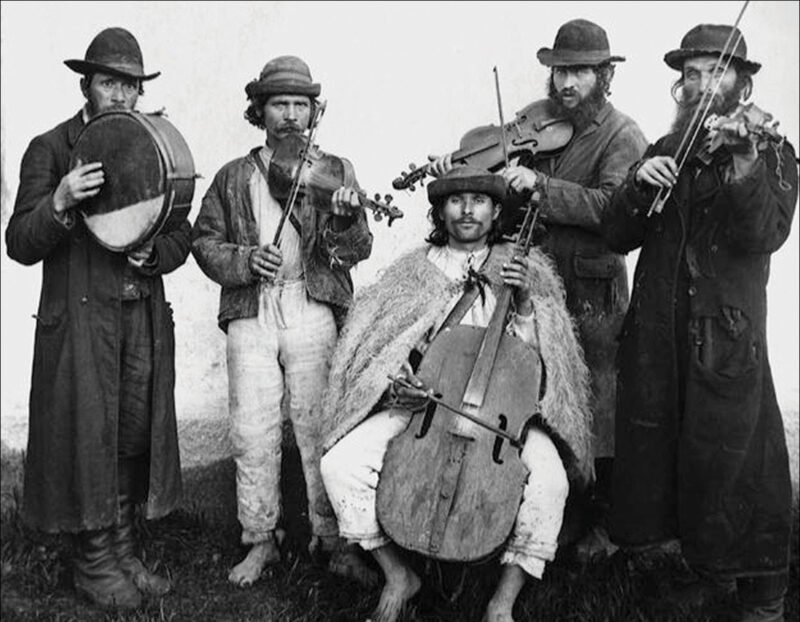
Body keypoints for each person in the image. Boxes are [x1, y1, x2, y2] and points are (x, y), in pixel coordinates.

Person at [320, 166, 592, 622]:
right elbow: (385, 345)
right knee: (339, 465)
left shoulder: (526, 266)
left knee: (551, 482)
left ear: (497, 211)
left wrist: (524, 304)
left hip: (505, 410)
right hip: (428, 404)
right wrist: (398, 379)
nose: (467, 210)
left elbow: (545, 362)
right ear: (440, 211)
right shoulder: (414, 270)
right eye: (455, 200)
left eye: (479, 200)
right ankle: (398, 573)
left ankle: (502, 600)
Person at [429, 19, 648, 555]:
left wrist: (542, 187)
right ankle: (554, 507)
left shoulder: (623, 135)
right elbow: (500, 187)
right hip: (539, 282)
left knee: (597, 402)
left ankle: (603, 522)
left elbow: (613, 210)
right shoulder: (543, 123)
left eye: (578, 72)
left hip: (594, 289)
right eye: (559, 73)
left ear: (604, 74)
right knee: (543, 392)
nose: (566, 84)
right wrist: (459, 174)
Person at [602, 24, 798, 621]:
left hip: (727, 337)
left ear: (742, 82)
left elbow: (765, 232)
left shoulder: (770, 152)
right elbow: (617, 232)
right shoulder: (665, 148)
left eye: (715, 71)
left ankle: (763, 595)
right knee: (674, 460)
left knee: (742, 464)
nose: (701, 84)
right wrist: (637, 186)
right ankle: (704, 569)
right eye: (691, 74)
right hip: (662, 334)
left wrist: (742, 160)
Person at [5, 28, 190, 609]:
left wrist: (152, 253)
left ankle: (122, 549)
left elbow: (179, 230)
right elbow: (18, 241)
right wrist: (59, 202)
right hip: (83, 325)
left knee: (132, 435)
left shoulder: (151, 142)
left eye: (130, 85)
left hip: (139, 315)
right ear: (86, 84)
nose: (121, 95)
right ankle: (93, 563)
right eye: (110, 82)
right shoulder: (51, 147)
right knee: (90, 437)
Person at [191, 55, 374, 587]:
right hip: (252, 309)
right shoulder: (233, 176)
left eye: (300, 104)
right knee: (252, 428)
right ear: (259, 110)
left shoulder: (334, 170)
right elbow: (204, 243)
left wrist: (343, 220)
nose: (291, 115)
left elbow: (358, 247)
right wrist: (245, 261)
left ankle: (333, 540)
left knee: (321, 425)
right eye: (280, 104)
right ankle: (260, 540)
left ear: (312, 111)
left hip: (311, 304)